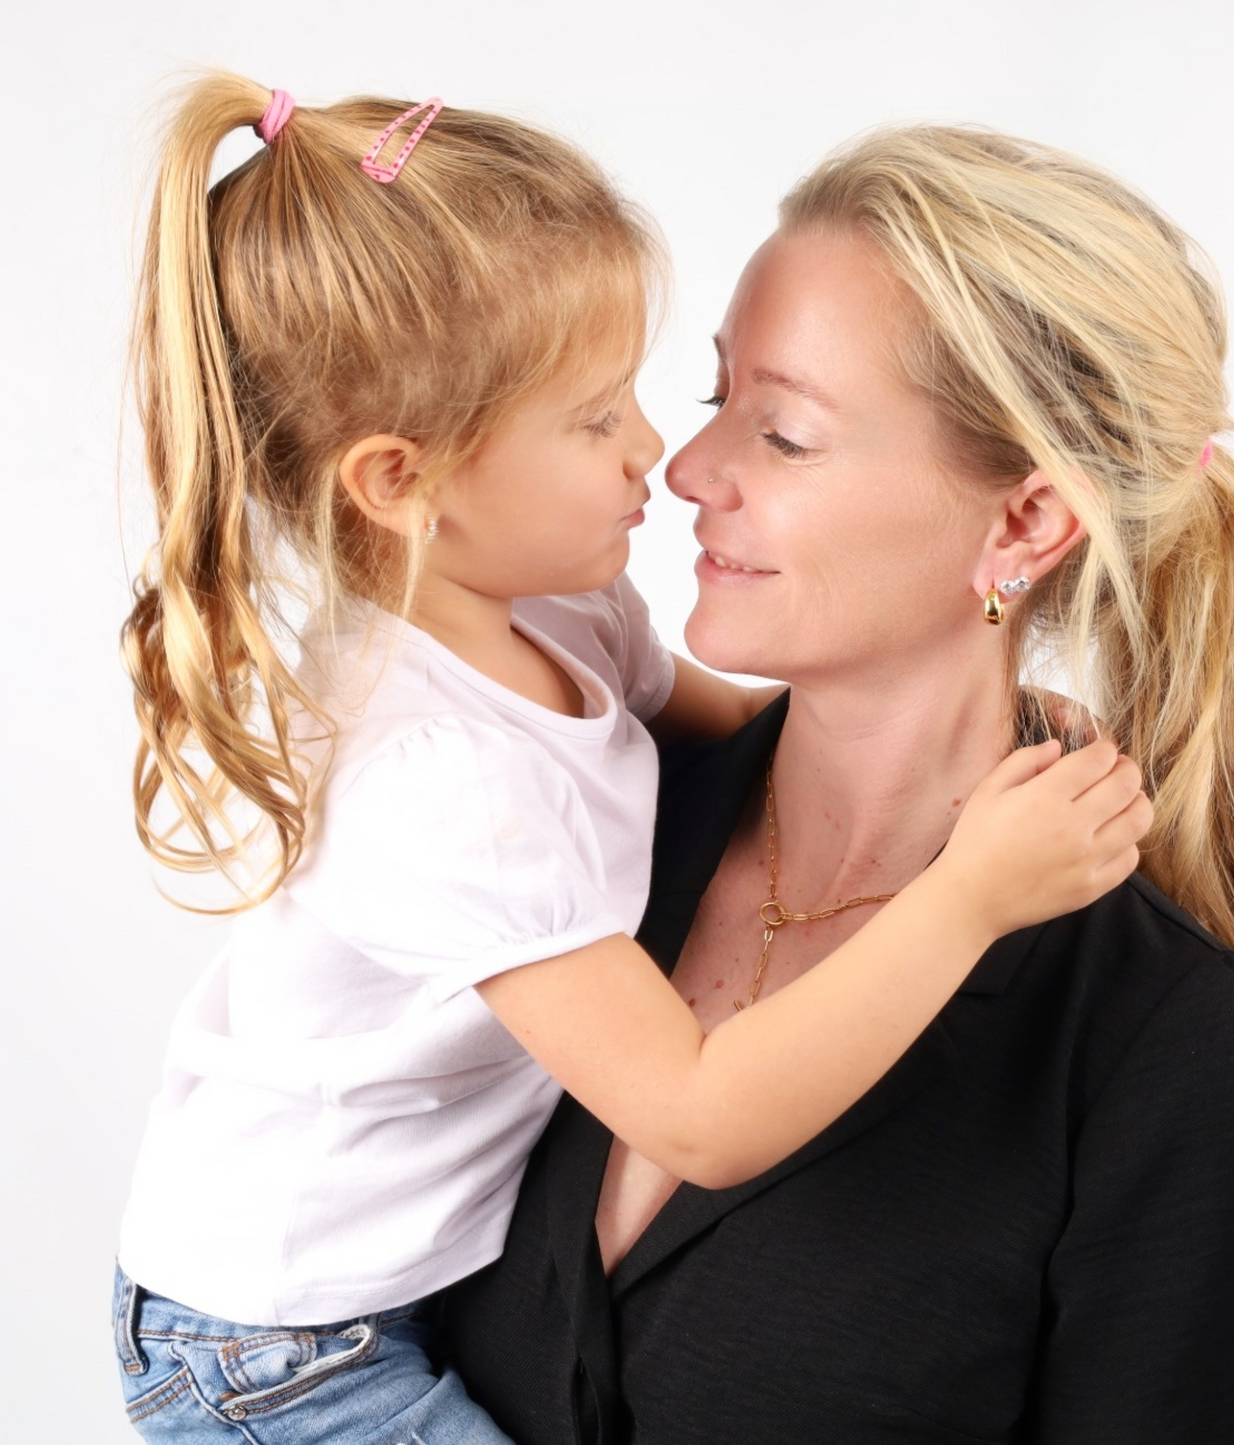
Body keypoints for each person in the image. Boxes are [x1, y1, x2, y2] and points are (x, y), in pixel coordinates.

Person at [111, 81, 1150, 1444]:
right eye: (595, 417)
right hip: (281, 1344)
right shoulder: (437, 777)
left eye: (693, 402)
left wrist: (970, 765)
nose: (658, 456)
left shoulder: (556, 606)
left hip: (403, 1272)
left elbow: (728, 735)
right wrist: (967, 895)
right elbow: (703, 1115)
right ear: (399, 481)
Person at [441, 125, 1234, 1442]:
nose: (688, 469)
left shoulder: (1151, 1033)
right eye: (717, 395)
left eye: (781, 433)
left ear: (1023, 524)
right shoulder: (576, 822)